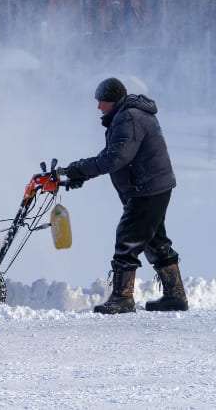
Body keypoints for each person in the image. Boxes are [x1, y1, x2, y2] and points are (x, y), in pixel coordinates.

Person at [63, 78, 188, 314]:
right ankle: (175, 296)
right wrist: (81, 172)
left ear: (112, 99)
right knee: (155, 241)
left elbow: (116, 158)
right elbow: (113, 153)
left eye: (101, 101)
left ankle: (122, 297)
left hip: (146, 188)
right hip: (153, 186)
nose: (98, 106)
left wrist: (80, 169)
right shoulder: (128, 115)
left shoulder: (129, 117)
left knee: (127, 239)